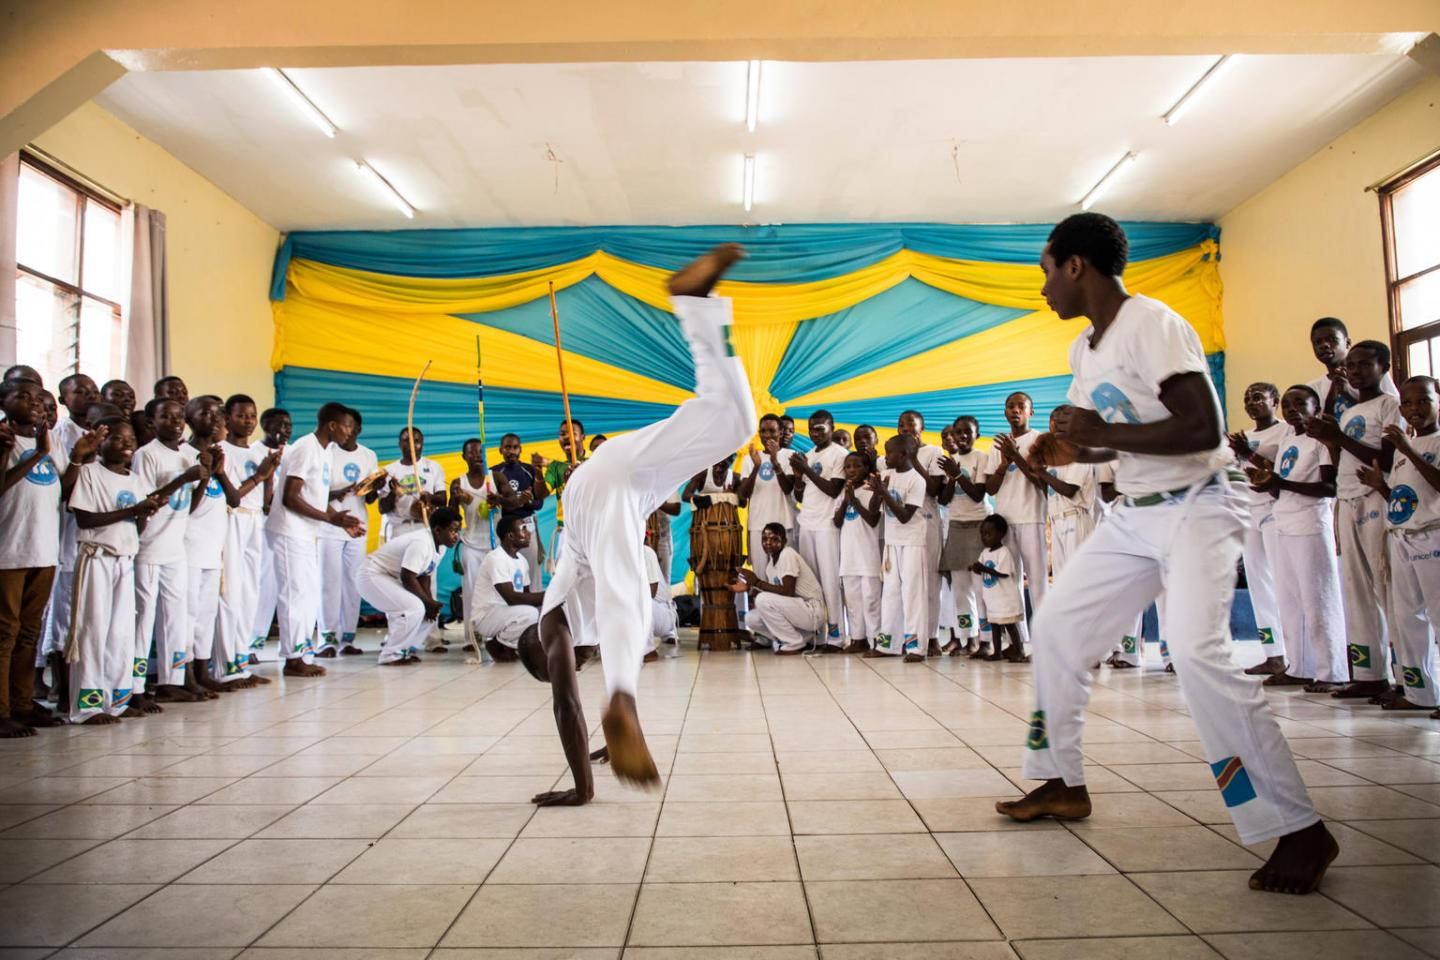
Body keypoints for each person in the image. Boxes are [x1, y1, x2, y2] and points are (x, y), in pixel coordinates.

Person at [996, 212, 1338, 897]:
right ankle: (1061, 780)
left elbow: (1201, 427)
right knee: (1058, 627)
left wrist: (1092, 432)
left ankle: (1300, 828)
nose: (1042, 289)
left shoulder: (1151, 323)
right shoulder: (1083, 352)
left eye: (1044, 272)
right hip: (1136, 513)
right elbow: (1106, 439)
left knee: (1198, 655)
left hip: (1201, 504)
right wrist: (1066, 445)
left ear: (1075, 266)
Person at [518, 244, 756, 797]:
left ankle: (621, 698)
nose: (574, 666)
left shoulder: (553, 623)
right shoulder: (568, 602)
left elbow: (565, 709)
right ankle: (698, 306)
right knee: (733, 422)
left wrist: (580, 789)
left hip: (600, 493)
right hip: (621, 473)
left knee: (623, 592)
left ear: (551, 652)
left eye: (569, 665)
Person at [1306, 340, 1401, 702]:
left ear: (1384, 368)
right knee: (1355, 588)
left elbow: (1388, 460)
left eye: (1365, 364)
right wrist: (1330, 439)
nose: (1357, 371)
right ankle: (1369, 673)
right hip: (1346, 501)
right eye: (1354, 366)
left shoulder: (1390, 406)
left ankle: (1404, 675)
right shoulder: (1347, 412)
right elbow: (1340, 453)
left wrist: (1339, 438)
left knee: (1385, 584)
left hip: (1377, 498)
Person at [0, 379, 96, 734]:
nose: (36, 405)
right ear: (3, 402)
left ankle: (22, 704)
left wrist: (77, 458)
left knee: (30, 632)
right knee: (5, 632)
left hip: (44, 549)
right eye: (24, 397)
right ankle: (1, 710)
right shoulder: (5, 439)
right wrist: (38, 455)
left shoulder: (50, 439)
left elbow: (63, 491)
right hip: (8, 549)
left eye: (40, 400)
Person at [1249, 385, 1346, 691]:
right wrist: (1267, 484)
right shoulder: (1289, 438)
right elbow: (1279, 485)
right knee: (1289, 600)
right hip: (1284, 523)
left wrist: (1282, 484)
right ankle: (1299, 666)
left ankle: (1331, 671)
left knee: (1318, 599)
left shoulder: (1322, 441)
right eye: (1288, 405)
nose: (1291, 409)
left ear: (1315, 408)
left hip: (1310, 526)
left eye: (1299, 404)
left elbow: (1329, 488)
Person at [68, 417, 163, 723]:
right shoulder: (90, 473)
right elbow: (85, 519)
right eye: (119, 439)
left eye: (131, 439)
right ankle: (88, 705)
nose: (127, 445)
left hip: (124, 559)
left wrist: (145, 512)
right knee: (93, 630)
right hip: (97, 558)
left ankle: (117, 699)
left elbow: (135, 524)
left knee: (120, 632)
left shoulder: (134, 479)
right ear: (102, 442)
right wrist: (133, 510)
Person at [266, 402, 364, 677]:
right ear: (332, 425)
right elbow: (290, 497)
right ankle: (292, 658)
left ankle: (300, 652)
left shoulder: (324, 451)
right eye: (346, 425)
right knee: (294, 595)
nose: (350, 431)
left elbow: (315, 498)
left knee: (306, 595)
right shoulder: (305, 448)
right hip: (289, 531)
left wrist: (342, 522)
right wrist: (329, 518)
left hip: (307, 532)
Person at [1362, 375, 1440, 717]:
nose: (1413, 409)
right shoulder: (1404, 452)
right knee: (1408, 617)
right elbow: (1404, 499)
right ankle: (1421, 692)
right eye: (1407, 403)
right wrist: (1381, 486)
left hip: (1433, 536)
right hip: (1403, 537)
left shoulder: (1431, 442)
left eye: (1423, 400)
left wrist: (1408, 449)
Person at [133, 397, 212, 703]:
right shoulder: (146, 456)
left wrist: (203, 476)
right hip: (149, 548)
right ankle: (136, 687)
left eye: (179, 417)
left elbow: (190, 505)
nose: (175, 422)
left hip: (176, 548)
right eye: (166, 417)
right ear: (152, 423)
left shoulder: (186, 455)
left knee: (175, 619)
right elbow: (143, 503)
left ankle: (172, 680)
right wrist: (184, 478)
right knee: (143, 620)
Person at [38, 374, 100, 701]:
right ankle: (60, 685)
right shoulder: (61, 436)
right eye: (80, 391)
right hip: (65, 537)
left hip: (90, 539)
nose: (89, 395)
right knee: (62, 616)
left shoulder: (101, 431)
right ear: (64, 400)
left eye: (93, 390)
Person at [1226, 382, 1290, 676]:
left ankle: (1296, 652)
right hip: (1249, 512)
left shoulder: (1286, 432)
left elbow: (1282, 471)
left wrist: (1247, 454)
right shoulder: (1244, 436)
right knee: (1259, 583)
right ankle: (1273, 653)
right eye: (1247, 398)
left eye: (1258, 397)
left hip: (1277, 510)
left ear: (1274, 401)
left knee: (1283, 581)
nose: (1251, 403)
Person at [217, 395, 279, 685]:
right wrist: (261, 474)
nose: (248, 421)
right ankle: (225, 666)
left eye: (252, 416)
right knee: (230, 593)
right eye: (241, 415)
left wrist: (270, 475)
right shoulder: (221, 450)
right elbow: (232, 496)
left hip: (256, 521)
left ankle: (241, 660)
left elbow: (266, 503)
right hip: (232, 520)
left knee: (249, 592)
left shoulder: (257, 452)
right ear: (227, 418)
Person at [358, 507, 461, 665]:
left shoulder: (441, 547)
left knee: (431, 614)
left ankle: (406, 649)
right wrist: (427, 602)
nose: (456, 536)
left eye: (458, 531)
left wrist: (430, 603)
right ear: (438, 530)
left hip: (391, 577)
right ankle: (390, 655)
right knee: (414, 607)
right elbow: (407, 576)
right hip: (372, 575)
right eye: (453, 531)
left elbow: (425, 575)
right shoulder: (421, 543)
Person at [181, 396, 235, 695]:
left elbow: (234, 500)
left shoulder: (217, 455)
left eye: (219, 415)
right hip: (188, 547)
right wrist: (203, 473)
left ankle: (203, 669)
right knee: (186, 614)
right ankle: (184, 674)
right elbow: (188, 506)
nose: (216, 421)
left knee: (205, 614)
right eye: (207, 414)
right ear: (189, 419)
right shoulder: (183, 454)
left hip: (212, 549)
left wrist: (219, 470)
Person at [985, 392, 1049, 626]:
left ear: (1031, 411)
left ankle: (1044, 639)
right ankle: (1018, 641)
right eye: (1010, 406)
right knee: (1009, 581)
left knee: (1037, 580)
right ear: (1004, 412)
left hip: (1031, 517)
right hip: (1004, 521)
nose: (1015, 410)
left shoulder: (1040, 440)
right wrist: (1004, 462)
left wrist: (1015, 455)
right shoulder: (997, 445)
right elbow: (990, 489)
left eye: (1021, 406)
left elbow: (1042, 483)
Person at [319, 409, 379, 657]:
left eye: (350, 427)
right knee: (329, 582)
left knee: (353, 583)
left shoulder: (368, 455)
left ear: (358, 429)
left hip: (358, 526)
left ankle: (347, 638)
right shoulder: (327, 452)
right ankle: (327, 639)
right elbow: (315, 490)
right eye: (342, 426)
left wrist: (375, 487)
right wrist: (337, 493)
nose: (346, 431)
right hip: (329, 526)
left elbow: (372, 497)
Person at [789, 410, 847, 649]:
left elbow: (834, 490)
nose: (814, 434)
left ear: (831, 428)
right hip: (808, 523)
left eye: (820, 429)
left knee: (830, 581)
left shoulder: (840, 454)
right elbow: (801, 493)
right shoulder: (810, 454)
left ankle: (837, 635)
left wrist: (808, 470)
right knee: (811, 583)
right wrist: (797, 474)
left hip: (827, 525)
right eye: (811, 429)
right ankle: (817, 633)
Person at [869, 435, 928, 661]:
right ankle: (888, 645)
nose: (885, 456)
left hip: (913, 542)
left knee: (912, 595)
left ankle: (915, 647)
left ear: (903, 455)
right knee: (891, 594)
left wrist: (884, 493)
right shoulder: (887, 475)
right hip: (892, 543)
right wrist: (877, 491)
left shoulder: (917, 480)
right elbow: (874, 510)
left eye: (889, 452)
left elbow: (904, 516)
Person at [938, 415, 991, 656]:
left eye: (967, 432)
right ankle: (967, 638)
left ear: (977, 434)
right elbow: (944, 499)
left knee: (981, 588)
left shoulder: (981, 458)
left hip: (978, 524)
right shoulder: (952, 460)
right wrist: (951, 475)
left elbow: (978, 494)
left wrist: (958, 475)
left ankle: (987, 639)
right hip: (957, 526)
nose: (962, 436)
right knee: (960, 589)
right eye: (958, 432)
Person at [735, 522, 825, 654]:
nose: (768, 543)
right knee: (751, 618)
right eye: (765, 539)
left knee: (762, 600)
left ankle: (794, 643)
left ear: (784, 541)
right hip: (797, 612)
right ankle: (802, 637)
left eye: (774, 539)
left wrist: (757, 582)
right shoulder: (770, 566)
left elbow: (788, 592)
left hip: (811, 611)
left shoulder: (787, 554)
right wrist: (749, 588)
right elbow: (777, 597)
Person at [898, 411, 946, 654]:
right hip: (903, 524)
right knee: (908, 583)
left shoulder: (933, 452)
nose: (905, 429)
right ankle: (911, 635)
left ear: (922, 427)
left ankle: (932, 635)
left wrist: (914, 459)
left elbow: (936, 489)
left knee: (930, 580)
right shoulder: (895, 454)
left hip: (927, 521)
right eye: (901, 425)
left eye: (911, 425)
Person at [471, 514, 544, 661]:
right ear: (510, 535)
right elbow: (512, 598)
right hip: (487, 616)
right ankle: (496, 644)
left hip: (506, 614)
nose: (528, 533)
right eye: (523, 529)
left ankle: (511, 647)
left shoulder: (522, 561)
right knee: (530, 614)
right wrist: (548, 596)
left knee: (541, 612)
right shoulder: (496, 558)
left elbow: (526, 595)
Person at [1035, 407, 1098, 575]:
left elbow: (1069, 490)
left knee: (1079, 576)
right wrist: (1040, 472)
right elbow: (1047, 491)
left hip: (1075, 518)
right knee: (1061, 578)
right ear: (1050, 425)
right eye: (1055, 421)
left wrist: (1041, 472)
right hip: (1056, 519)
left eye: (1065, 421)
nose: (1058, 425)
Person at [251, 407, 292, 659]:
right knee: (254, 583)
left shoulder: (293, 452)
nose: (285, 430)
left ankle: (256, 641)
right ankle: (243, 645)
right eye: (279, 425)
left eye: (288, 425)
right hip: (256, 524)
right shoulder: (254, 452)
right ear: (265, 426)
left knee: (272, 585)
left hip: (283, 526)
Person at [451, 437, 498, 655]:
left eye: (480, 451)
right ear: (464, 457)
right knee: (470, 591)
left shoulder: (495, 478)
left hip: (493, 544)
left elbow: (511, 503)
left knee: (494, 591)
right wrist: (455, 498)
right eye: (472, 452)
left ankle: (494, 634)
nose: (477, 455)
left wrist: (498, 499)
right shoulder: (458, 482)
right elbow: (452, 516)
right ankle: (471, 636)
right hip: (471, 544)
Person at [736, 413, 796, 585]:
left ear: (781, 432)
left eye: (772, 431)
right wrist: (756, 467)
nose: (767, 435)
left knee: (786, 576)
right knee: (760, 578)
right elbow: (744, 494)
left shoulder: (790, 456)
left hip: (784, 523)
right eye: (763, 431)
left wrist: (775, 461)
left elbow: (788, 488)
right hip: (758, 526)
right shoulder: (750, 459)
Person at [835, 449, 883, 652]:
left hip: (868, 556)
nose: (851, 470)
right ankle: (858, 638)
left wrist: (854, 500)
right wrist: (847, 499)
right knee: (853, 602)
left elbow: (873, 520)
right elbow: (837, 522)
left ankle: (877, 641)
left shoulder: (872, 490)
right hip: (849, 558)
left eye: (857, 466)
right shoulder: (843, 493)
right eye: (848, 466)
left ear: (867, 468)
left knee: (871, 600)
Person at [1306, 317, 1399, 421]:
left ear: (1348, 343)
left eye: (1332, 339)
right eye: (1317, 342)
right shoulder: (1312, 388)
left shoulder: (1373, 374)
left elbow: (1394, 410)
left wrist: (1347, 393)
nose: (1324, 345)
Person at [491, 433, 546, 584]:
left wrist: (524, 502)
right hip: (505, 529)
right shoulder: (493, 472)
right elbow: (492, 503)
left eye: (515, 447)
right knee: (505, 572)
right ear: (500, 450)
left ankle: (536, 605)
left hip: (526, 526)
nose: (511, 451)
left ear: (520, 449)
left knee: (532, 570)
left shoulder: (530, 470)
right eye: (507, 447)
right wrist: (518, 501)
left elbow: (539, 503)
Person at [972, 514, 1027, 661]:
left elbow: (1003, 573)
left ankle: (1018, 650)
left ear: (1001, 534)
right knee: (995, 625)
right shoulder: (985, 553)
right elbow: (980, 569)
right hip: (993, 599)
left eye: (989, 534)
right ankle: (997, 652)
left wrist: (984, 568)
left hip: (1005, 598)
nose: (985, 537)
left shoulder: (1004, 552)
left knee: (1010, 625)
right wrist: (975, 568)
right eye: (983, 534)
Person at [543, 417, 587, 572]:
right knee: (565, 585)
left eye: (571, 433)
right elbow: (541, 493)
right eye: (562, 434)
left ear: (583, 437)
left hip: (591, 531)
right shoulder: (555, 467)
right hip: (566, 533)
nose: (566, 437)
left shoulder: (594, 461)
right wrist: (536, 473)